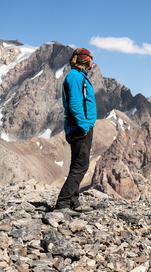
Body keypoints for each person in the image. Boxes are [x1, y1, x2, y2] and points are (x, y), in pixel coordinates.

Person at [54, 47, 97, 215]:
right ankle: (63, 202)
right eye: (90, 58)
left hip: (80, 126)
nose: (92, 61)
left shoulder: (79, 76)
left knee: (77, 165)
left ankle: (73, 200)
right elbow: (75, 103)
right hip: (79, 127)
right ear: (84, 59)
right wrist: (84, 125)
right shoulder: (75, 77)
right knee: (81, 165)